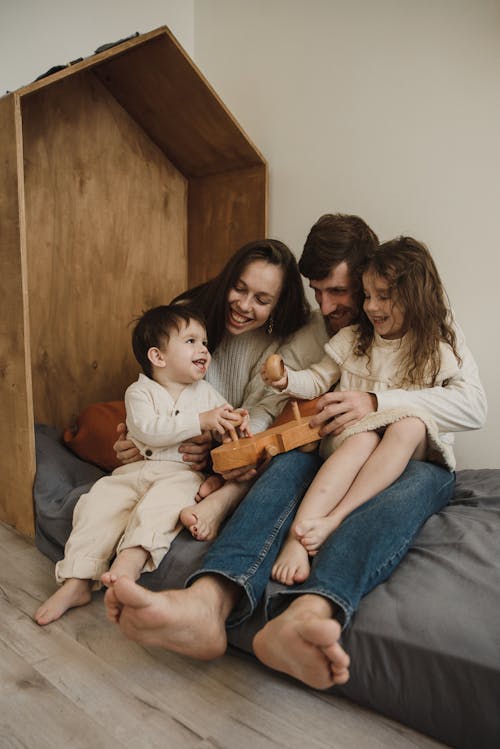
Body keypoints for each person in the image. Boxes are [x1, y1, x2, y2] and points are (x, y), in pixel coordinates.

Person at [106, 214, 486, 690]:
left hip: (416, 455)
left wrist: (376, 402)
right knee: (287, 466)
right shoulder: (316, 332)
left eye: (339, 291)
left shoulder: (431, 323)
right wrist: (242, 439)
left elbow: (474, 406)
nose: (327, 305)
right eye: (317, 291)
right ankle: (207, 601)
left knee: (396, 494)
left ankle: (306, 613)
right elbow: (274, 401)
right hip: (333, 446)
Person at [35, 304, 249, 625]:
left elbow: (223, 425)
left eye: (204, 342)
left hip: (180, 474)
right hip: (131, 472)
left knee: (162, 509)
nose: (203, 348)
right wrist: (201, 420)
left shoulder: (207, 394)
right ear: (158, 357)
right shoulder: (139, 393)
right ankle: (77, 579)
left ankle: (129, 566)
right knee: (97, 505)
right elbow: (149, 430)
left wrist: (235, 423)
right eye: (191, 341)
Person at [264, 237, 461, 585]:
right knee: (363, 438)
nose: (371, 306)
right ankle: (298, 536)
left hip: (407, 448)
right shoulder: (355, 339)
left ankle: (335, 518)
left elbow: (467, 405)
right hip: (355, 438)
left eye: (384, 296)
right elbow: (316, 379)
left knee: (410, 425)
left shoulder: (436, 348)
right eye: (368, 295)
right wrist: (285, 380)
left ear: (415, 297)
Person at [113, 238, 310, 537]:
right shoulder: (187, 314)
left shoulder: (279, 342)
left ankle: (220, 496)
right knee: (109, 429)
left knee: (277, 452)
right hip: (173, 438)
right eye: (240, 288)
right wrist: (138, 439)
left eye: (261, 300)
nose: (244, 305)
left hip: (221, 444)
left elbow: (259, 413)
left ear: (278, 304)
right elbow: (158, 386)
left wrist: (219, 445)